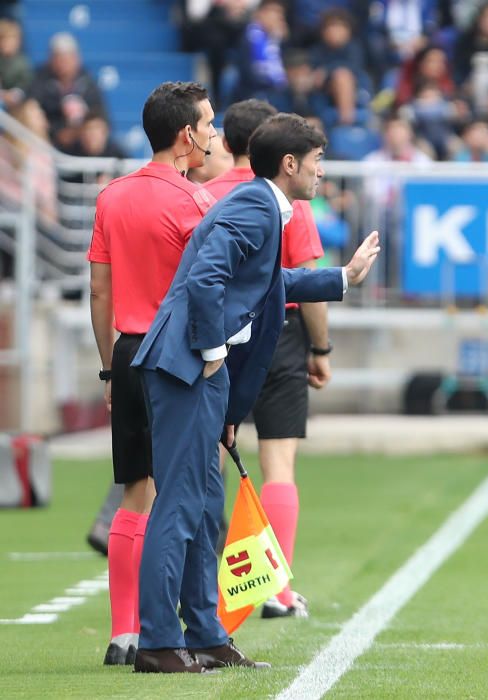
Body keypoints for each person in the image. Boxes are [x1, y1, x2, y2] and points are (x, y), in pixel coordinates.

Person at [130, 114, 380, 674]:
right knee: (179, 504)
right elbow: (205, 280)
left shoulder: (266, 206)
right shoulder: (254, 205)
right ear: (290, 165)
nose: (322, 173)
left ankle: (205, 633)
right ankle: (157, 641)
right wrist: (213, 354)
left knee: (203, 507)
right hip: (187, 368)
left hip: (195, 370)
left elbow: (272, 284)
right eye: (317, 162)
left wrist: (344, 277)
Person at [87, 81, 217, 667]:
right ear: (186, 135)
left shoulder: (112, 196)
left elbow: (98, 288)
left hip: (127, 353)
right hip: (177, 360)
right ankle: (170, 630)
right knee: (180, 496)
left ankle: (122, 634)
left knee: (133, 493)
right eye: (207, 124)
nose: (211, 134)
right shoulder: (195, 204)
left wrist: (108, 367)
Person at [203, 98, 327, 619]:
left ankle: (207, 590)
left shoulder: (203, 195)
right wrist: (320, 348)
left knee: (208, 463)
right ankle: (273, 592)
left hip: (214, 334)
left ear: (228, 144)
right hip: (280, 332)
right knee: (278, 464)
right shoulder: (288, 202)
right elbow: (308, 282)